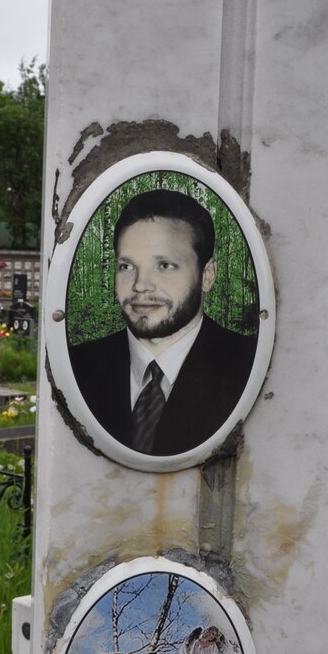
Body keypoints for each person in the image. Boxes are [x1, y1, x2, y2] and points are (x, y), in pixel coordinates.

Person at [69, 189, 257, 455]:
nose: (140, 285)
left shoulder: (249, 366)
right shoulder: (79, 365)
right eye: (127, 266)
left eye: (165, 265)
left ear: (207, 275)